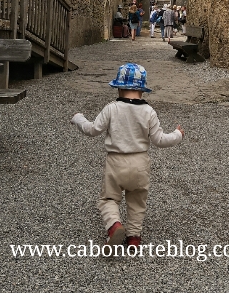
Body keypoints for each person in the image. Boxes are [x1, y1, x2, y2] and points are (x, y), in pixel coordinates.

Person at [71, 63, 184, 250]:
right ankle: (133, 238)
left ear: (119, 87)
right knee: (137, 201)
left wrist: (78, 118)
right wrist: (178, 135)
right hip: (140, 163)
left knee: (108, 199)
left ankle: (114, 225)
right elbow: (160, 140)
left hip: (115, 163)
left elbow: (92, 130)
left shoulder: (111, 108)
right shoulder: (149, 111)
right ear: (142, 90)